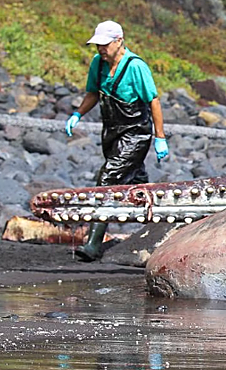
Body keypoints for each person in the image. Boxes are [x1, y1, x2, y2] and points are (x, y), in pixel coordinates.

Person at [64, 20, 168, 262]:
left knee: (108, 179)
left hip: (136, 133)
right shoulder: (98, 64)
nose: (100, 49)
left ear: (119, 41)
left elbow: (153, 101)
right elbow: (93, 93)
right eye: (97, 45)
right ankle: (157, 228)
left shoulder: (136, 66)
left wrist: (159, 138)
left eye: (104, 44)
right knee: (135, 179)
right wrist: (78, 114)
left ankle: (92, 245)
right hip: (111, 131)